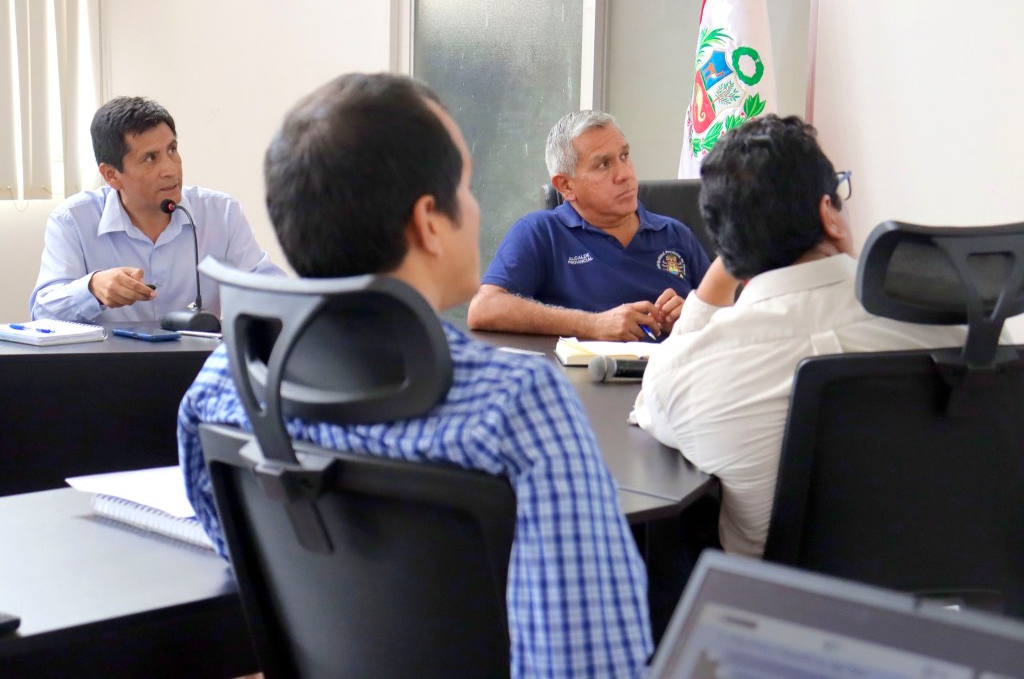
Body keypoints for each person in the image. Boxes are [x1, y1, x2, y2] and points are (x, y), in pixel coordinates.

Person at [178, 74, 653, 677]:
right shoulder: (516, 404)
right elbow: (592, 663)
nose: (476, 208)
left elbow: (256, 569)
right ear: (430, 221)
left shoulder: (223, 384)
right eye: (466, 187)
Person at [633, 115, 970, 558]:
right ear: (829, 214)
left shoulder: (690, 370)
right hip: (970, 594)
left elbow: (650, 403)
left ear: (727, 246)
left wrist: (719, 278)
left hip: (781, 600)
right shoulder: (964, 319)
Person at [30, 96, 283, 324]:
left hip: (197, 359)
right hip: (110, 360)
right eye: (150, 158)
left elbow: (272, 291)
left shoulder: (221, 213)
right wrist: (93, 289)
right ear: (111, 175)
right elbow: (43, 313)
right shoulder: (73, 220)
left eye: (172, 150)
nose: (171, 170)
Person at [467, 110, 710, 341]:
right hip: (583, 370)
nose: (624, 174)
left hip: (672, 368)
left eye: (624, 156)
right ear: (565, 186)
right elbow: (484, 308)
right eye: (603, 164)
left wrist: (692, 318)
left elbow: (727, 317)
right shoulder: (541, 233)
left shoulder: (675, 234)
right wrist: (593, 325)